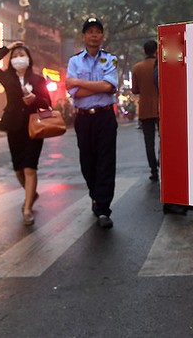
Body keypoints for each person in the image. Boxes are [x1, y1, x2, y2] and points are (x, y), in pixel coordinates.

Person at [0, 41, 52, 226]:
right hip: (14, 127)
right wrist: (7, 48)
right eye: (15, 56)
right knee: (18, 169)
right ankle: (31, 193)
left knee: (30, 167)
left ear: (28, 58)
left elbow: (47, 103)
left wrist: (35, 99)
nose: (18, 59)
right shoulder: (7, 77)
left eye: (22, 55)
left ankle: (27, 209)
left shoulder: (39, 80)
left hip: (34, 127)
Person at [66, 17, 119, 229]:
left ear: (102, 36)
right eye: (90, 31)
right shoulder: (74, 61)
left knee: (106, 162)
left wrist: (79, 82)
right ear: (83, 36)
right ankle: (96, 195)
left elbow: (109, 87)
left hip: (105, 117)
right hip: (83, 118)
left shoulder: (111, 59)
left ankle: (104, 209)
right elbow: (73, 92)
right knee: (87, 162)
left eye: (98, 31)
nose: (94, 34)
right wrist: (96, 86)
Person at [131, 40, 160, 181]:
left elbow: (135, 90)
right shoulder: (161, 66)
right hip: (161, 108)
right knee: (164, 140)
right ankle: (164, 165)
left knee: (149, 142)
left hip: (145, 109)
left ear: (144, 51)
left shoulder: (137, 67)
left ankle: (153, 170)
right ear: (156, 50)